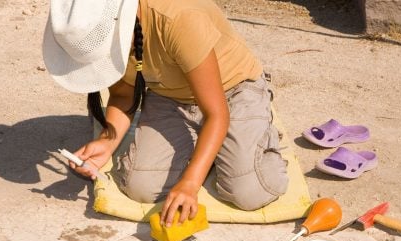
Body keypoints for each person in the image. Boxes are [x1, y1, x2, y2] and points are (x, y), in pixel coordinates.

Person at [42, 0, 289, 227]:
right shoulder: (104, 28)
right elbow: (122, 95)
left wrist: (190, 183)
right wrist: (107, 142)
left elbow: (217, 114)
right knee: (140, 187)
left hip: (232, 91)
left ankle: (254, 131)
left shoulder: (179, 17)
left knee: (248, 192)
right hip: (170, 94)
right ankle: (215, 149)